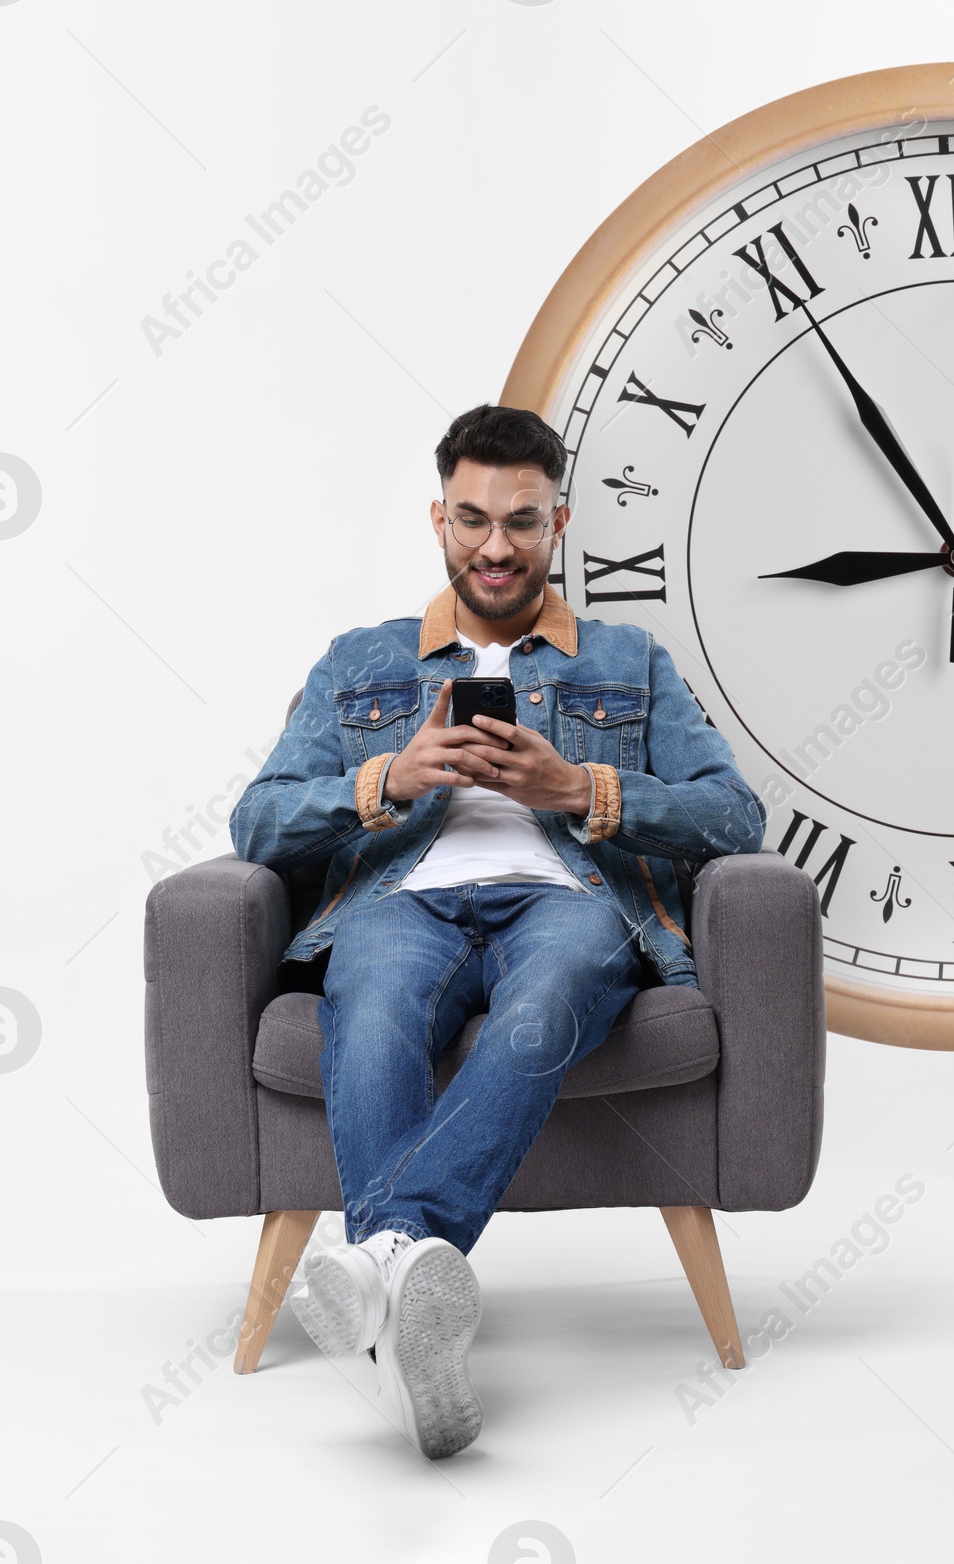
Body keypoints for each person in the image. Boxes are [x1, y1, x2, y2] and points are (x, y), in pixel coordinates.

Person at [230, 403, 767, 1457]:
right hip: (400, 899)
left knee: (546, 1001)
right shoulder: (361, 658)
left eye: (521, 521)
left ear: (557, 523)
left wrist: (583, 787)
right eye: (471, 518)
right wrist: (387, 778)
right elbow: (255, 821)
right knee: (372, 1001)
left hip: (569, 901)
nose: (494, 545)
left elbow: (735, 814)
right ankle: (416, 1326)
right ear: (438, 517)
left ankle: (384, 1259)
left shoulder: (629, 658)